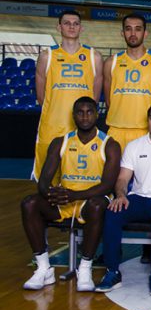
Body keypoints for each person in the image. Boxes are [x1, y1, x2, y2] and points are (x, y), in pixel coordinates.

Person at [21, 96, 120, 292]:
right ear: (73, 115)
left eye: (89, 112)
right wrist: (52, 194)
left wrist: (75, 195)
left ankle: (85, 268)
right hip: (65, 200)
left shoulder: (110, 144)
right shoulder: (61, 142)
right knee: (29, 203)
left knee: (98, 205)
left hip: (89, 201)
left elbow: (108, 186)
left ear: (97, 114)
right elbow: (43, 182)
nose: (85, 117)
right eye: (80, 113)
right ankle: (44, 268)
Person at [95, 102, 151, 295]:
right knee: (112, 213)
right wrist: (120, 195)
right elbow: (122, 178)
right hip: (137, 198)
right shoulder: (135, 146)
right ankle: (112, 271)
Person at [33, 10, 103, 182]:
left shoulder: (94, 56)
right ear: (59, 27)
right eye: (67, 23)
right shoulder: (46, 56)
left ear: (81, 28)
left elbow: (94, 98)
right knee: (47, 179)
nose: (71, 27)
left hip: (81, 127)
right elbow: (41, 96)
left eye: (75, 23)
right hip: (51, 126)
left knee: (78, 177)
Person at [103, 13, 151, 149]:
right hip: (116, 130)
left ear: (145, 33)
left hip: (145, 132)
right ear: (122, 33)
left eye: (138, 29)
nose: (133, 33)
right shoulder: (111, 62)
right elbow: (108, 101)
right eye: (128, 29)